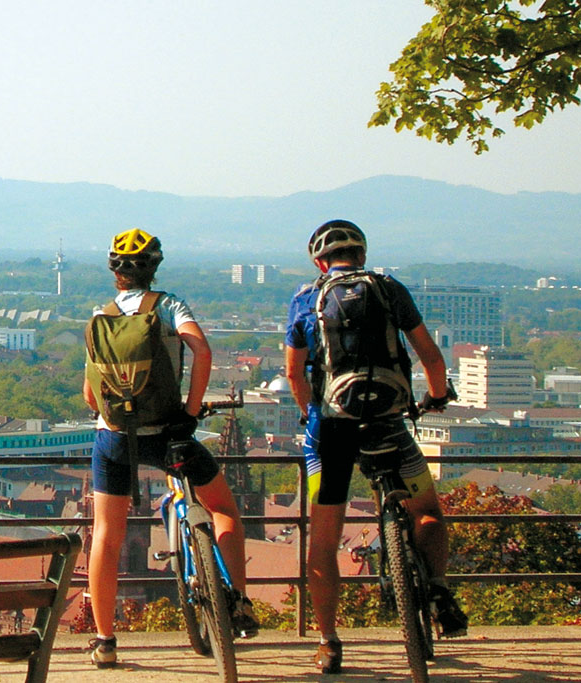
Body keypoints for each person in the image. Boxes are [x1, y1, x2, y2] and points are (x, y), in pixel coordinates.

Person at [284, 219, 468, 675]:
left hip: (331, 433)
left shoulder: (307, 298)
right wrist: (437, 396)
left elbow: (293, 373)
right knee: (427, 510)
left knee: (324, 540)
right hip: (387, 422)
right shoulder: (389, 290)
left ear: (319, 261)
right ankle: (439, 587)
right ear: (362, 256)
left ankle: (328, 642)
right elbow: (430, 355)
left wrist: (312, 415)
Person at [84, 228, 258, 668]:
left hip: (113, 438)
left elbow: (91, 397)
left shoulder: (99, 318)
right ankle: (237, 601)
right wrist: (191, 409)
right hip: (169, 433)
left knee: (106, 535)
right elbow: (201, 350)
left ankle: (105, 641)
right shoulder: (169, 305)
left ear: (115, 272)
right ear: (154, 267)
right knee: (222, 510)